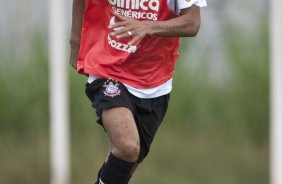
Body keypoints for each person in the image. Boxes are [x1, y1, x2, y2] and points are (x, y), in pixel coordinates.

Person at [70, 0, 207, 183]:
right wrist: (76, 39)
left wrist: (147, 26)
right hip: (107, 66)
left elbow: (192, 22)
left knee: (123, 166)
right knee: (127, 146)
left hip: (154, 84)